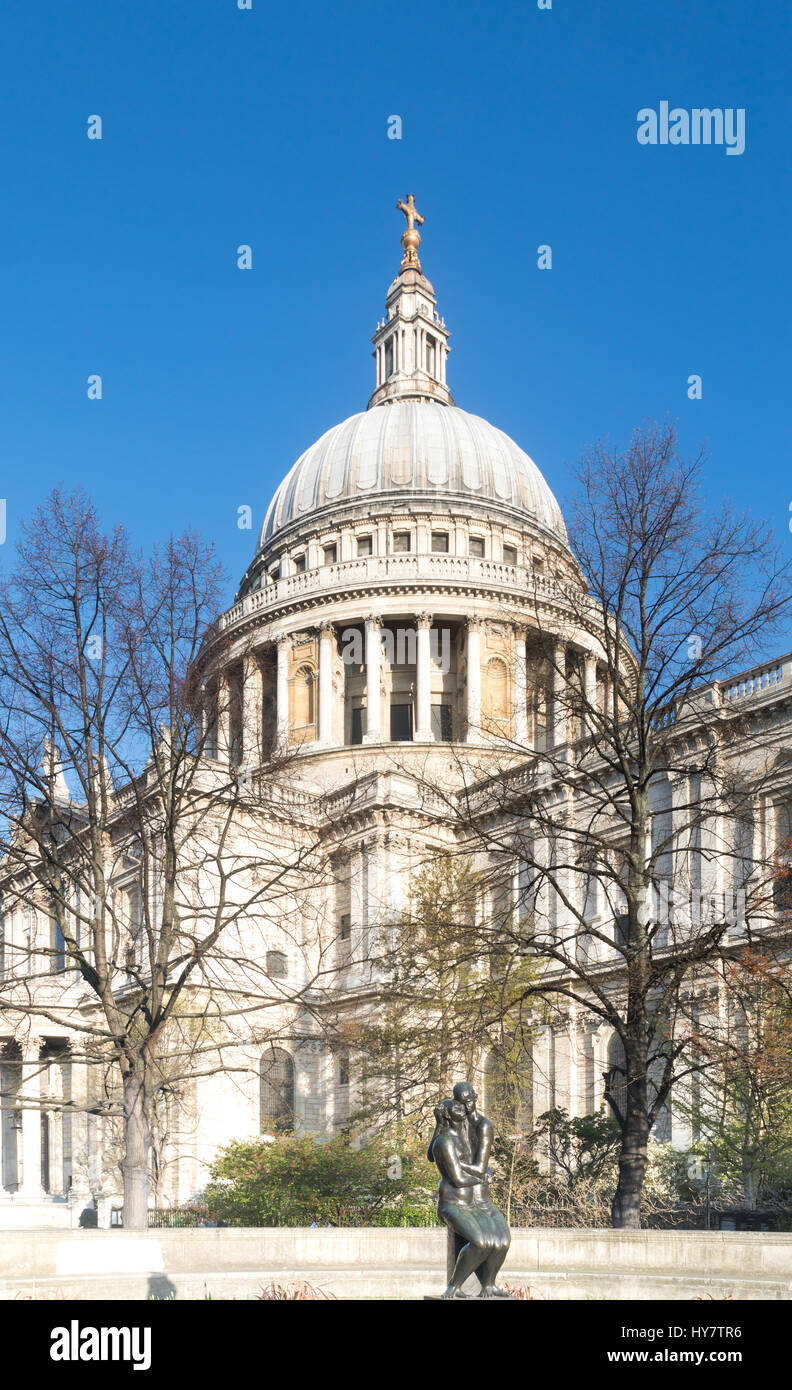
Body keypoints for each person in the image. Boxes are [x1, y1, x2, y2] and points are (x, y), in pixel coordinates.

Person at [429, 1095, 511, 1299]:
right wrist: (482, 1177)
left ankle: (489, 1285)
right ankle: (454, 1286)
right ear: (449, 1115)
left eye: (464, 1104)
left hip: (473, 1202)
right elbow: (457, 1178)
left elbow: (470, 1164)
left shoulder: (465, 1133)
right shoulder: (445, 1141)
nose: (463, 1108)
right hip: (453, 1202)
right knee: (481, 1242)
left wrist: (478, 1171)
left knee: (502, 1241)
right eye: (456, 1107)